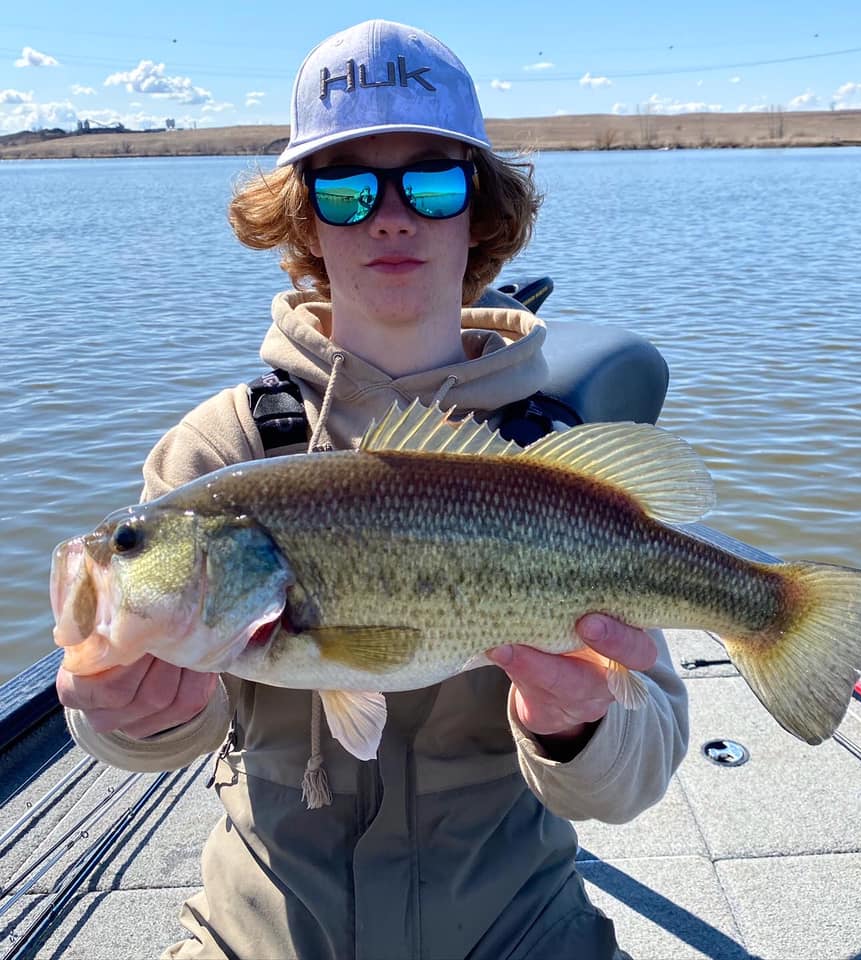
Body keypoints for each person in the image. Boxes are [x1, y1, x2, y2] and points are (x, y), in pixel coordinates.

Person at [56, 19, 688, 960]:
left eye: (433, 182)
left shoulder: (552, 464)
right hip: (261, 932)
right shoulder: (216, 452)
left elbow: (634, 780)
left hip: (520, 927)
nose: (391, 215)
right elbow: (154, 737)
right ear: (304, 219)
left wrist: (579, 727)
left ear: (479, 212)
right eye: (346, 189)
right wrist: (127, 718)